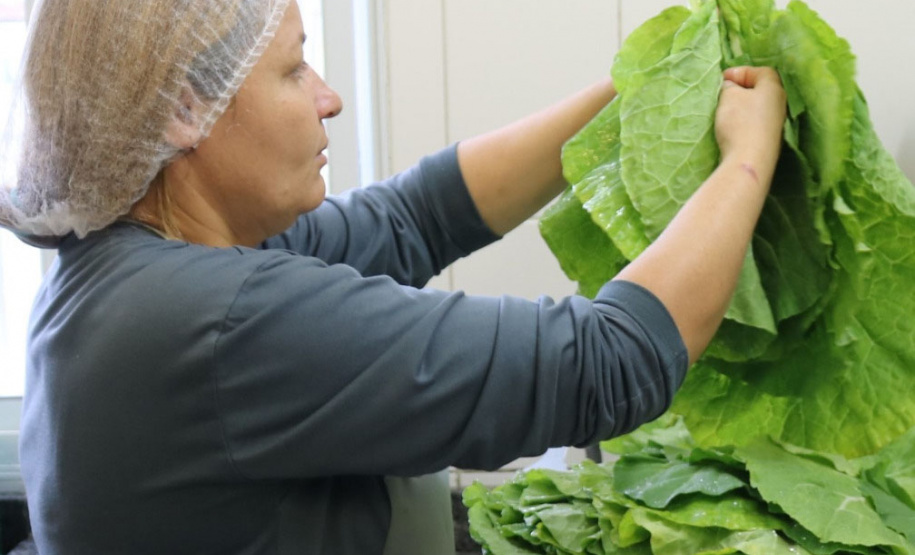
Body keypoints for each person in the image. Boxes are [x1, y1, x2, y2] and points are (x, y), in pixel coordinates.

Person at [0, 0, 786, 554]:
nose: (328, 98)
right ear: (183, 108)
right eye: (292, 69)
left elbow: (417, 216)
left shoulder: (135, 263)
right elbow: (609, 361)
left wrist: (643, 90)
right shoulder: (215, 322)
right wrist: (748, 157)